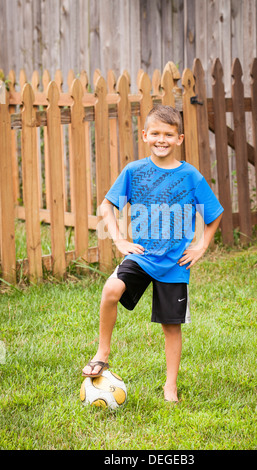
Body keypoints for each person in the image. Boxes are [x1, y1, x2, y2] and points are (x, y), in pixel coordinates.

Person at [82, 105, 223, 402]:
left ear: (179, 139)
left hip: (174, 263)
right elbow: (107, 206)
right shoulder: (134, 171)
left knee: (171, 327)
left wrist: (202, 245)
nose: (162, 139)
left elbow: (214, 215)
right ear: (145, 135)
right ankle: (102, 351)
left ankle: (170, 385)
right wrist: (119, 240)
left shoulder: (191, 176)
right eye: (156, 133)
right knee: (111, 289)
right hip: (142, 255)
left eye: (169, 134)